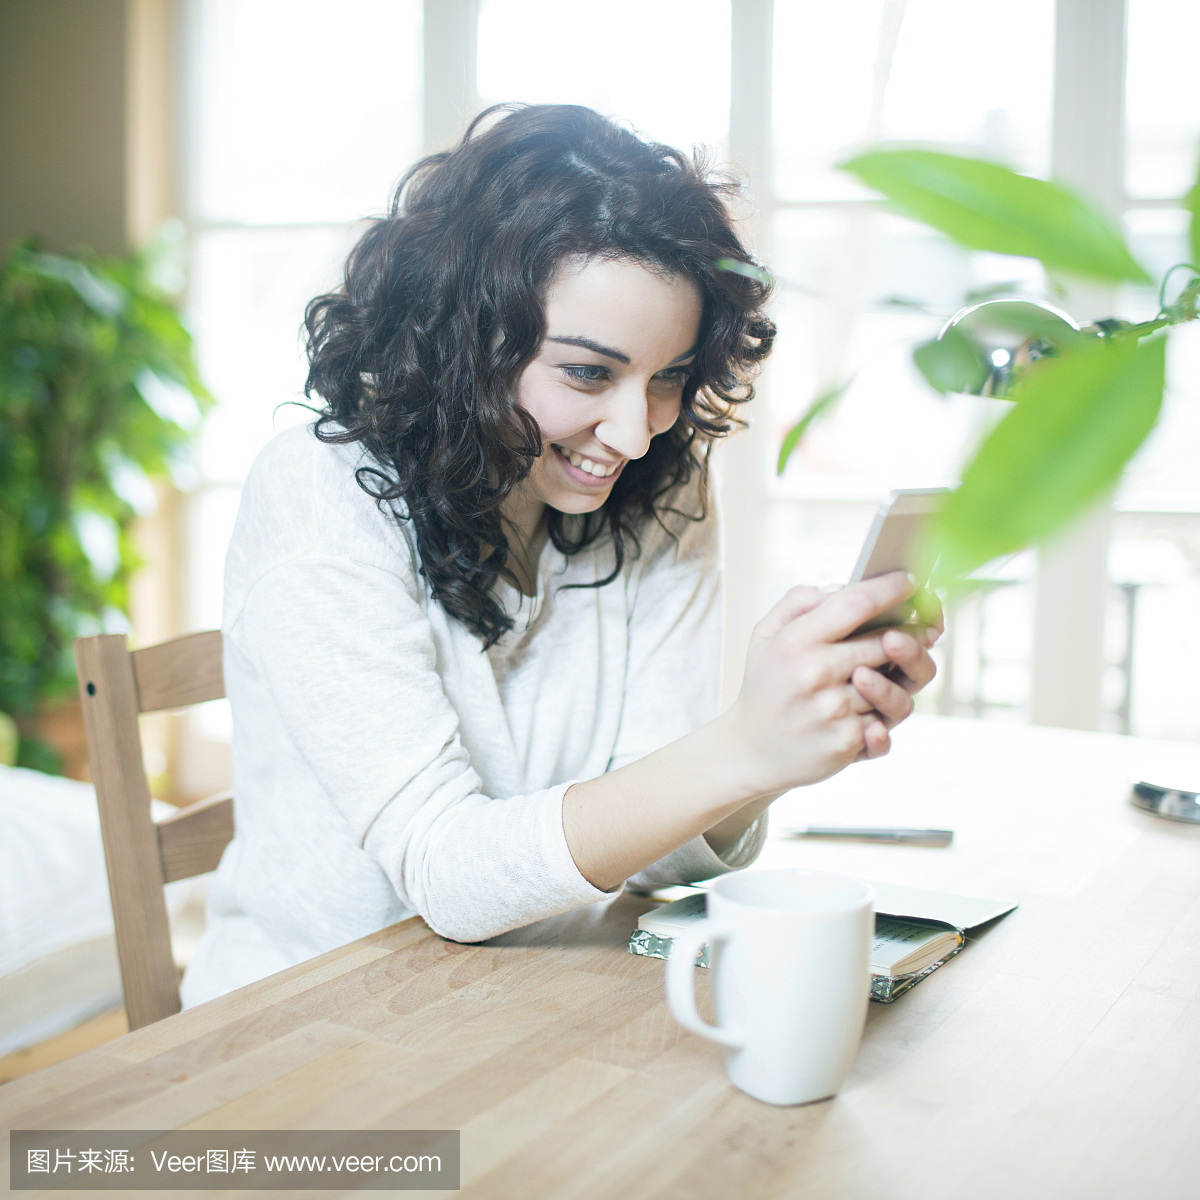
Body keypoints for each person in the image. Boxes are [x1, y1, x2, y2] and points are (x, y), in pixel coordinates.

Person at [181, 104, 940, 1007]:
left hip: (536, 997)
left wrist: (772, 752)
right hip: (309, 1026)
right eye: (587, 372)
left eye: (668, 376)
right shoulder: (319, 491)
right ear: (462, 340)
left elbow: (648, 843)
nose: (633, 430)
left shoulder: (659, 487)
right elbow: (448, 874)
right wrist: (740, 747)